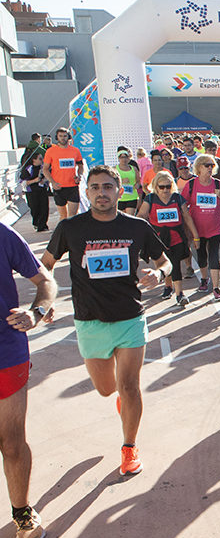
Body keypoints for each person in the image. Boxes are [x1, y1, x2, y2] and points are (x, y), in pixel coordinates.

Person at [42, 166, 172, 478]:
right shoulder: (70, 228)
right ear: (86, 193)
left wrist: (160, 274)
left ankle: (129, 447)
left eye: (108, 187)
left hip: (130, 315)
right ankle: (123, 404)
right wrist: (43, 300)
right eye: (95, 187)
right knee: (106, 389)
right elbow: (45, 266)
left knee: (129, 386)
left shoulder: (137, 227)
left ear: (119, 191)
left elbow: (165, 261)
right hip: (90, 320)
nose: (102, 193)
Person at [1, 222, 58, 538]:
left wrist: (36, 312)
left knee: (11, 442)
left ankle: (21, 510)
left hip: (6, 350)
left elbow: (45, 281)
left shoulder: (2, 235)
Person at [137, 171, 199, 308]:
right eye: (162, 187)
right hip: (158, 239)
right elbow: (141, 215)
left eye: (168, 186)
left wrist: (196, 236)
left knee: (175, 264)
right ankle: (168, 285)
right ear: (155, 186)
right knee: (163, 264)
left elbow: (187, 217)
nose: (165, 190)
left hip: (176, 236)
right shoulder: (151, 199)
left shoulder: (177, 198)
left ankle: (180, 294)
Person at [180, 153, 220, 300]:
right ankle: (204, 279)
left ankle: (216, 287)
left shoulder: (218, 184)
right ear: (199, 168)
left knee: (214, 255)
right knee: (202, 255)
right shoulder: (191, 185)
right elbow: (183, 206)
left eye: (212, 165)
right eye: (207, 165)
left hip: (215, 226)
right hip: (197, 228)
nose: (210, 168)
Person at [42, 128, 85, 221]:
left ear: (68, 137)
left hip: (72, 186)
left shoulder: (75, 151)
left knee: (73, 216)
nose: (63, 138)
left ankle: (72, 235)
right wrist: (52, 182)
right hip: (58, 187)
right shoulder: (50, 151)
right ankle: (63, 234)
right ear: (57, 137)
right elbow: (45, 169)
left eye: (65, 136)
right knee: (63, 217)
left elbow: (81, 166)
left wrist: (79, 176)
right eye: (60, 136)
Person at [20, 149, 51, 232]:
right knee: (35, 208)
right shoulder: (28, 169)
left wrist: (44, 180)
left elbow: (49, 177)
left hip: (42, 189)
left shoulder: (43, 167)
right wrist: (35, 180)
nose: (42, 161)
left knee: (44, 207)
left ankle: (43, 225)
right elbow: (23, 182)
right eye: (40, 159)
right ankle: (36, 223)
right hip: (31, 191)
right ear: (34, 160)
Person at [115, 147, 143, 213]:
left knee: (130, 217)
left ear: (128, 158)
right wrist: (121, 181)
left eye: (125, 157)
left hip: (132, 197)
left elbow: (139, 181)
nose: (124, 159)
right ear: (118, 158)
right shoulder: (114, 169)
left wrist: (137, 185)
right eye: (122, 157)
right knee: (122, 219)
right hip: (120, 198)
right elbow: (112, 182)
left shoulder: (134, 169)